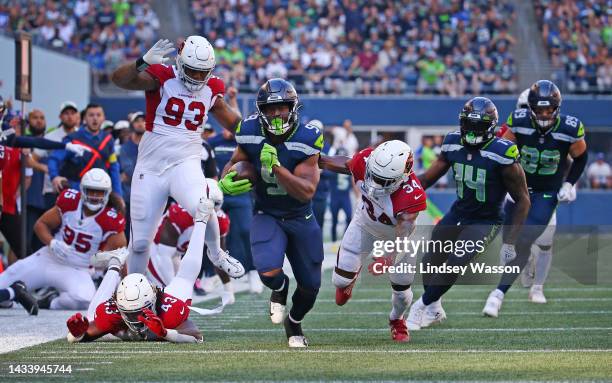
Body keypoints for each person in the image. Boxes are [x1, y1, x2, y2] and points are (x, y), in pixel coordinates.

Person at [110, 36, 244, 277]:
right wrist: (141, 63)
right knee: (139, 244)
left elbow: (236, 124)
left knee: (203, 206)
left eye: (204, 73)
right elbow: (119, 79)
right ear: (181, 63)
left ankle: (216, 253)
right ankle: (134, 292)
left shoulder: (212, 88)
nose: (198, 78)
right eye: (193, 71)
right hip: (150, 167)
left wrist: (263, 137)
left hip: (186, 163)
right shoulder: (163, 76)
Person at [405, 97, 530, 330]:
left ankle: (419, 306)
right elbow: (427, 179)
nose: (472, 131)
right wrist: (400, 186)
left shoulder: (502, 152)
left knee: (456, 261)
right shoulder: (453, 142)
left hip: (486, 220)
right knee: (430, 260)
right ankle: (434, 309)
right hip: (458, 212)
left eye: (478, 126)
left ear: (491, 126)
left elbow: (523, 199)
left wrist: (510, 242)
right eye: (468, 124)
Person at [218, 78, 324, 347]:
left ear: (294, 107)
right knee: (267, 272)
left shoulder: (307, 136)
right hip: (268, 212)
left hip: (301, 215)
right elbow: (234, 163)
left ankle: (295, 321)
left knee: (311, 286)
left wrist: (276, 167)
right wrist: (225, 179)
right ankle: (279, 288)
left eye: (283, 107)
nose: (277, 114)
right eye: (270, 108)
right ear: (261, 110)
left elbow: (307, 191)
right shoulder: (250, 130)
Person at [483, 80, 588, 315]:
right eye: (536, 109)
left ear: (557, 107)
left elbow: (578, 157)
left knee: (538, 241)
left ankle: (526, 289)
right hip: (519, 188)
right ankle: (522, 264)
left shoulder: (568, 128)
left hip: (547, 190)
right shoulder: (517, 122)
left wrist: (570, 183)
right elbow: (502, 152)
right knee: (511, 242)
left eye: (548, 109)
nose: (543, 115)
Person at [65, 196, 216, 343]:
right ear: (120, 308)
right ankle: (115, 264)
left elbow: (197, 336)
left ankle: (201, 219)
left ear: (153, 300)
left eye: (140, 312)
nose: (136, 319)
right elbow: (82, 334)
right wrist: (76, 335)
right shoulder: (112, 314)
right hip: (120, 309)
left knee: (185, 278)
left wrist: (165, 332)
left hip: (167, 300)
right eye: (129, 314)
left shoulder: (169, 311)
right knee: (92, 316)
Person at [319, 140, 427, 342]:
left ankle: (397, 320)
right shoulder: (365, 160)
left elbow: (402, 237)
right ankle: (350, 278)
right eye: (373, 175)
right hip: (364, 225)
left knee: (402, 293)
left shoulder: (412, 196)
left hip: (397, 239)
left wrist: (387, 259)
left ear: (403, 175)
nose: (375, 184)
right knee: (340, 281)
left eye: (383, 180)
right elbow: (348, 164)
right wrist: (318, 160)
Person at [0, 169, 127, 313]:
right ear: (82, 190)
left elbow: (120, 256)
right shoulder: (70, 201)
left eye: (99, 192)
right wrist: (52, 242)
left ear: (107, 193)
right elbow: (40, 225)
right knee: (3, 282)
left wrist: (126, 286)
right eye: (91, 191)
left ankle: (48, 301)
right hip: (48, 258)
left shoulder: (111, 219)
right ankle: (11, 295)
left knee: (84, 299)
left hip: (78, 269)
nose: (95, 196)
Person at [208, 126, 263, 294]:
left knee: (246, 231)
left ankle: (252, 271)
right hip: (218, 193)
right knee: (212, 235)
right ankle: (212, 274)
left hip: (241, 194)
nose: (228, 131)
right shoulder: (212, 142)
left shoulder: (246, 144)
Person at [47, 104, 124, 208]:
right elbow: (54, 158)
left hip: (101, 193)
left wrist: (118, 195)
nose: (95, 118)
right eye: (91, 115)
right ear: (84, 118)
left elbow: (114, 167)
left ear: (103, 118)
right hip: (76, 190)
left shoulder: (108, 139)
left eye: (98, 115)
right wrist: (54, 176)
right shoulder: (73, 138)